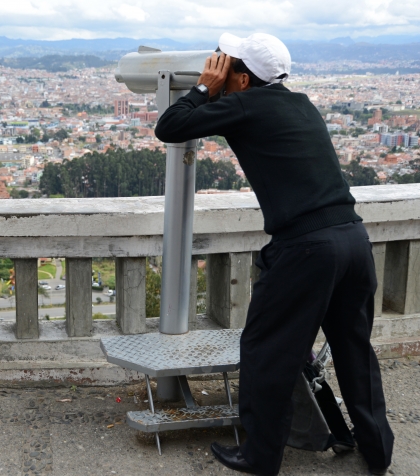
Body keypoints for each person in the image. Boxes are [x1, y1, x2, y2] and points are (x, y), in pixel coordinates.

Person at [154, 33, 394, 475]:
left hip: (306, 250)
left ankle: (260, 455)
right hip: (353, 240)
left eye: (228, 66)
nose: (220, 69)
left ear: (242, 79)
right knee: (354, 350)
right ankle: (378, 450)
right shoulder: (301, 102)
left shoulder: (244, 104)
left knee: (267, 351)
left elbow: (169, 126)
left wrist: (205, 86)